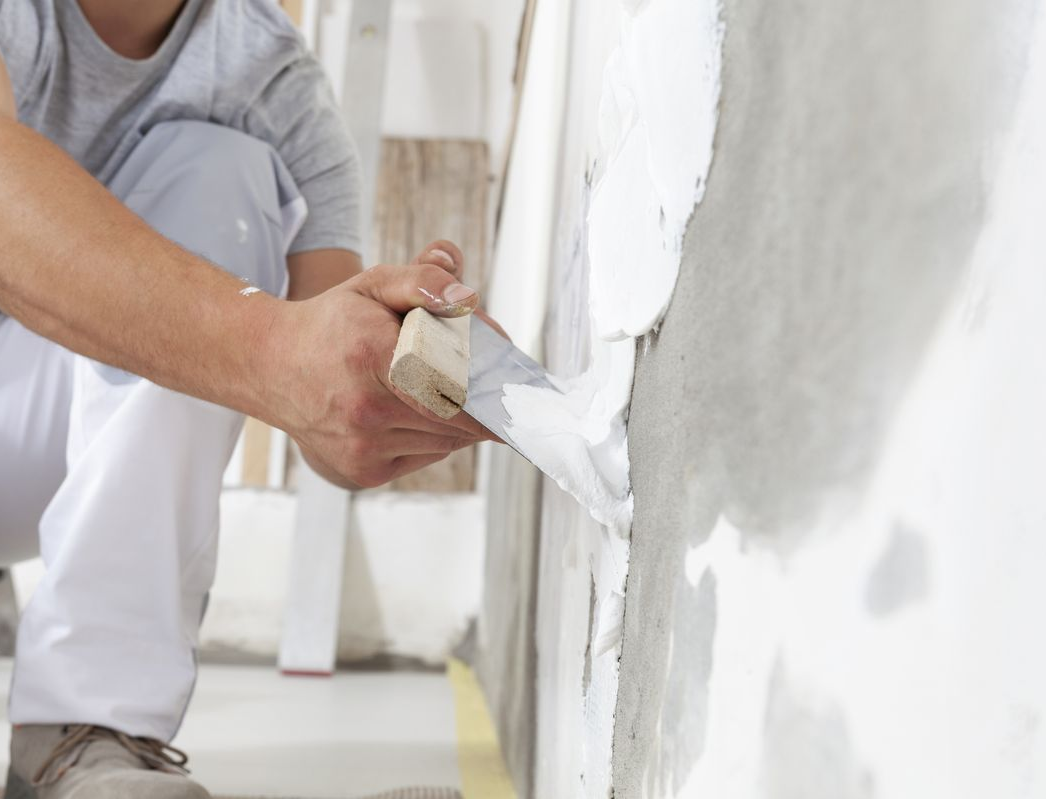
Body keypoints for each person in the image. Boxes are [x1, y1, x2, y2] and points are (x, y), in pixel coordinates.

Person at [0, 1, 496, 796]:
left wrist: (400, 366)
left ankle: (83, 727)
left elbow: (325, 422)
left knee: (224, 168)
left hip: (22, 447)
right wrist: (270, 346)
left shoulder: (273, 90)